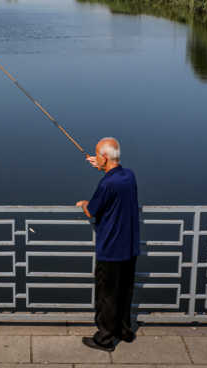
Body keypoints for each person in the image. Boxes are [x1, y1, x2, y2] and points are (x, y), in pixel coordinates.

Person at [76, 137, 140, 352]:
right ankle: (125, 331)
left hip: (111, 251)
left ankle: (103, 340)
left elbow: (91, 210)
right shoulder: (129, 176)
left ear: (105, 157)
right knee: (124, 293)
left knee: (106, 297)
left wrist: (84, 203)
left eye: (97, 155)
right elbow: (114, 180)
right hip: (130, 247)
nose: (95, 158)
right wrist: (102, 166)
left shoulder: (106, 183)